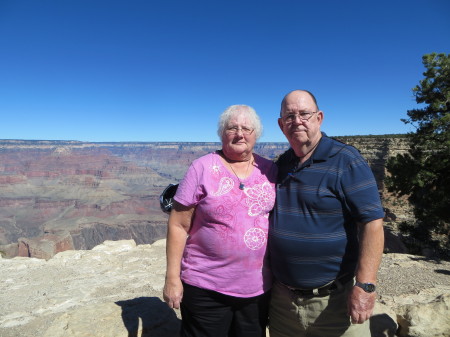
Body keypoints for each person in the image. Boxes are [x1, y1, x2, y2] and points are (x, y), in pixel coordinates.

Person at [269, 90, 385, 337]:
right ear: (281, 124)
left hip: (333, 303)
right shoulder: (281, 164)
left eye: (304, 114)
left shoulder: (346, 160)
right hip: (282, 304)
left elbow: (372, 222)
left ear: (319, 118)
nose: (297, 121)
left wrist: (365, 286)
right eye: (289, 116)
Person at [163, 104, 277, 337]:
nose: (240, 133)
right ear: (221, 133)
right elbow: (178, 224)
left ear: (256, 134)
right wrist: (172, 278)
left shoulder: (270, 170)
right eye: (232, 128)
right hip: (205, 286)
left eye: (246, 128)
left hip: (256, 289)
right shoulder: (201, 168)